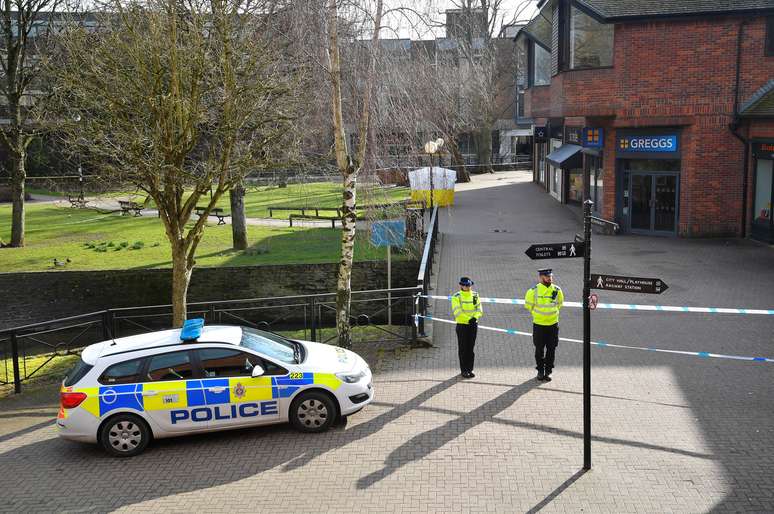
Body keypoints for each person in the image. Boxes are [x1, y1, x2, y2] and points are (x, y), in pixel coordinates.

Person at [524, 268, 564, 382]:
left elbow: (560, 304)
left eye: (551, 276)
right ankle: (540, 371)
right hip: (539, 325)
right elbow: (528, 306)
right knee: (539, 349)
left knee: (552, 349)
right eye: (547, 277)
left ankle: (548, 371)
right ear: (541, 278)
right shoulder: (533, 291)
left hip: (553, 325)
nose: (550, 278)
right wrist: (540, 315)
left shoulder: (557, 290)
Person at [451, 276, 483, 379]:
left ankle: (470, 369)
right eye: (465, 285)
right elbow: (457, 312)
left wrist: (475, 318)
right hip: (462, 326)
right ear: (460, 285)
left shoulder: (475, 295)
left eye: (468, 285)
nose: (467, 287)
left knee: (471, 348)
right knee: (463, 348)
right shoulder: (456, 296)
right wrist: (469, 319)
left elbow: (479, 309)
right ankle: (464, 370)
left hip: (473, 325)